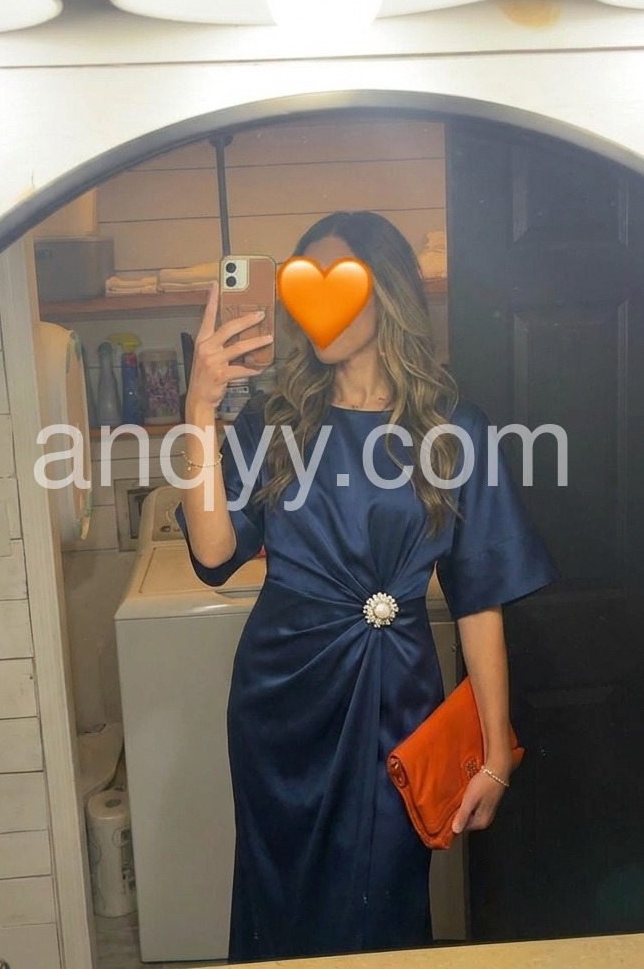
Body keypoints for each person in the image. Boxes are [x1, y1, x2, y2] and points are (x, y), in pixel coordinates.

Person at [175, 211, 557, 962]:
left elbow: (478, 598)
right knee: (280, 899)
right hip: (281, 698)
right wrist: (199, 410)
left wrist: (494, 752)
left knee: (381, 905)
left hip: (395, 699)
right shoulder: (274, 420)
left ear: (385, 292)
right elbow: (215, 552)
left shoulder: (455, 429)